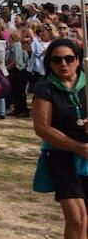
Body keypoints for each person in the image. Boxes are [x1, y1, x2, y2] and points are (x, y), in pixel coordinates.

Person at [32, 38, 87, 239]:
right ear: (50, 64)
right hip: (59, 155)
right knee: (77, 217)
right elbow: (42, 128)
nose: (63, 63)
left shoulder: (86, 85)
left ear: (78, 60)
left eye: (69, 58)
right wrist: (77, 146)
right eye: (57, 60)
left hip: (87, 157)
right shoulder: (45, 88)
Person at [7, 29, 31, 117]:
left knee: (19, 92)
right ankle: (17, 109)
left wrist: (7, 68)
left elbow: (15, 60)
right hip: (20, 71)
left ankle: (23, 111)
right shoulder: (17, 45)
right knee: (16, 92)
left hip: (18, 71)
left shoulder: (16, 45)